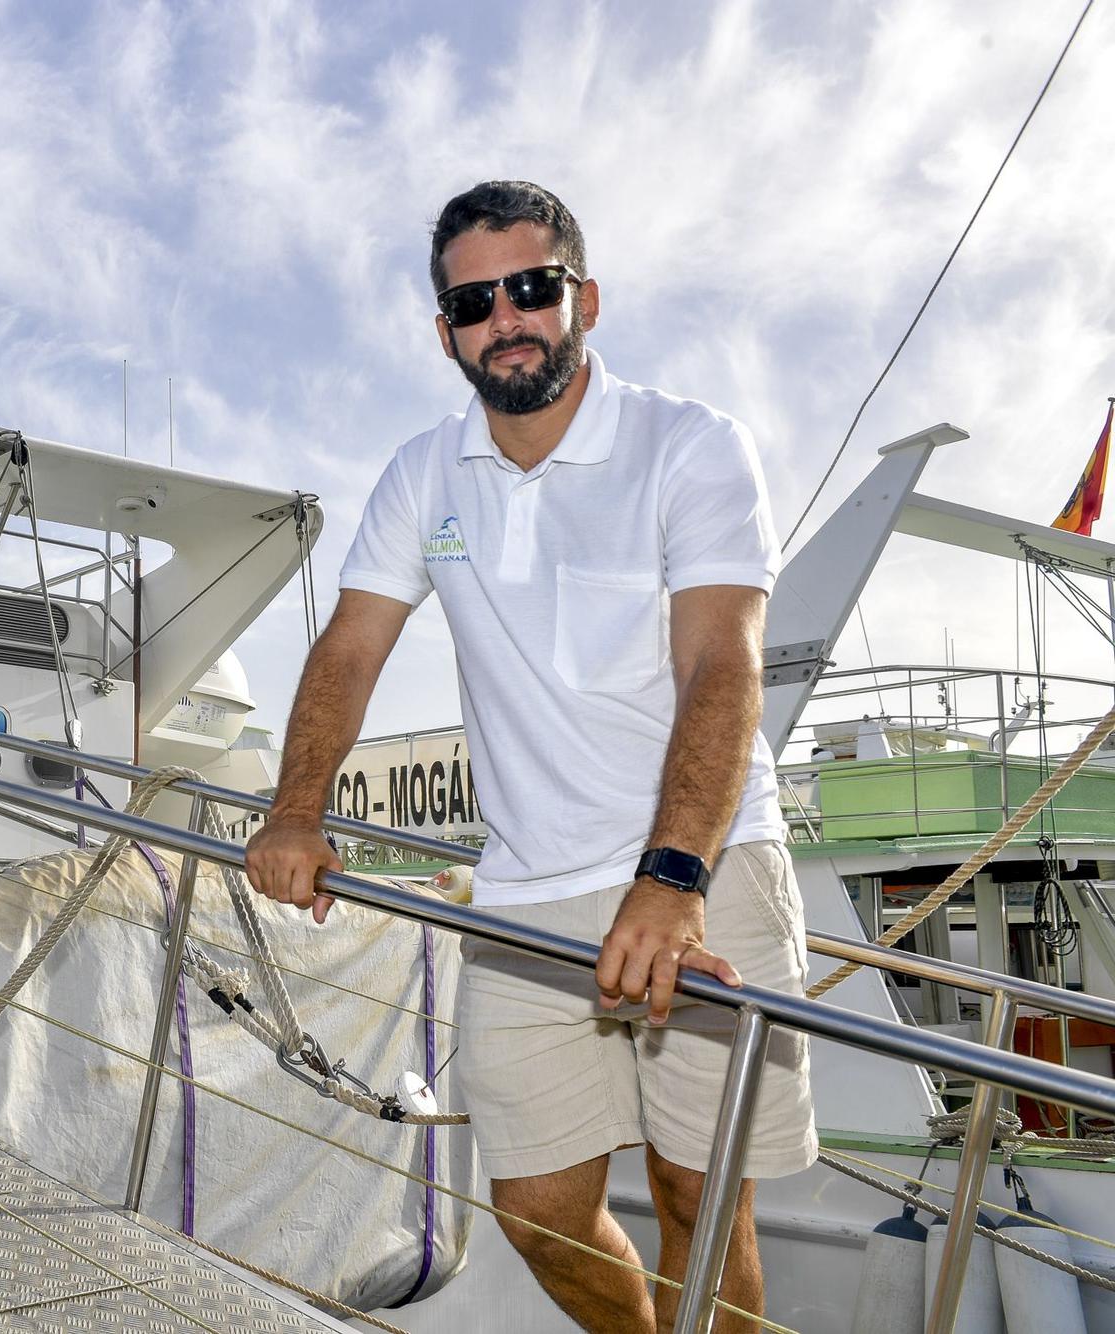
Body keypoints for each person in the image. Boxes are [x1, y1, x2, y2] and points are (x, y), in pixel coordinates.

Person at [244, 180, 815, 1333]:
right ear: (444, 331)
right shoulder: (424, 472)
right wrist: (295, 808)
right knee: (535, 1206)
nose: (504, 316)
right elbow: (352, 644)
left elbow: (720, 662)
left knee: (697, 1201)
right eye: (471, 300)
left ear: (583, 299)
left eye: (530, 287)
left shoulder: (687, 445)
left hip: (701, 862)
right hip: (526, 892)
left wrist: (671, 879)